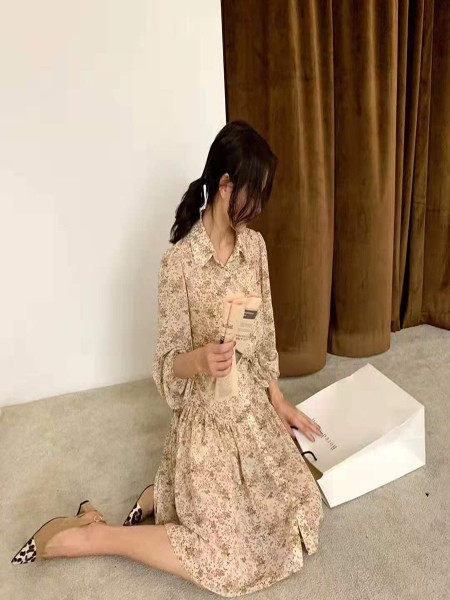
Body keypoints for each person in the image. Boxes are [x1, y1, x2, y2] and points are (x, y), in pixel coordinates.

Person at [11, 120, 324, 598]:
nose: (259, 208)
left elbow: (264, 338)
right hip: (206, 421)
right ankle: (98, 535)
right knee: (224, 554)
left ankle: (160, 494)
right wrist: (199, 360)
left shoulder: (255, 248)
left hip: (249, 411)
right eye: (254, 195)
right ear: (225, 186)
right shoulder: (178, 265)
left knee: (298, 508)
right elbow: (165, 365)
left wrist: (278, 402)